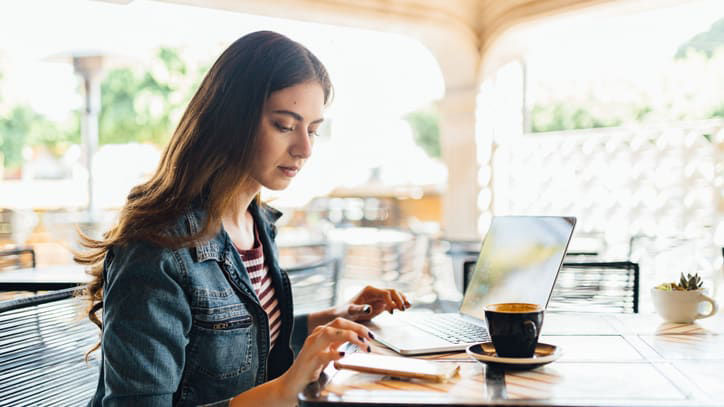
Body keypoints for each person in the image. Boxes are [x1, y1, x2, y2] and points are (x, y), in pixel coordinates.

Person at [76, 31, 411, 407]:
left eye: (313, 130)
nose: (304, 148)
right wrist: (284, 391)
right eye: (285, 125)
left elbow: (236, 341)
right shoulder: (157, 247)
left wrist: (331, 320)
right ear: (230, 119)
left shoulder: (256, 222)